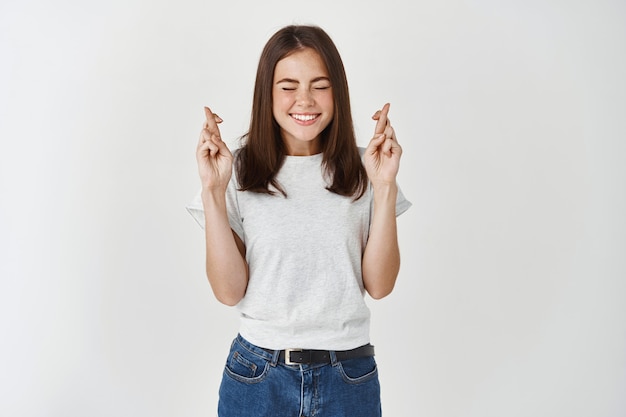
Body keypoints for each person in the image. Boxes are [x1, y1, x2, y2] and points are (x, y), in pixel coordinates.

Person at [186, 24, 411, 417]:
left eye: (319, 85)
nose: (304, 100)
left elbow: (380, 285)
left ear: (337, 93)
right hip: (257, 376)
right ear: (267, 94)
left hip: (349, 375)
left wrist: (386, 185)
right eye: (288, 86)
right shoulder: (237, 171)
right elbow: (228, 291)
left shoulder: (369, 169)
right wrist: (213, 192)